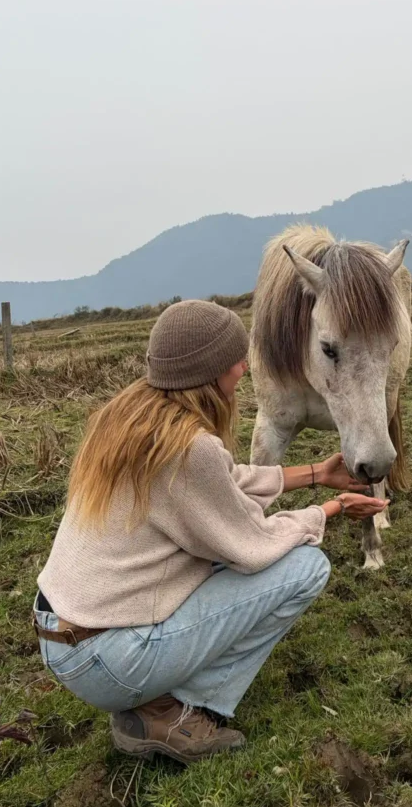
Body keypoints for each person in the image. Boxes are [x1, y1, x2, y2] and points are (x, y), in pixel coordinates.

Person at [33, 299, 387, 764]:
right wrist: (332, 508)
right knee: (305, 566)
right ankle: (178, 713)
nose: (244, 368)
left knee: (232, 560)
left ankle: (155, 699)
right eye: (235, 360)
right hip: (107, 660)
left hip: (61, 634)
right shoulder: (189, 448)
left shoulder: (131, 420)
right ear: (208, 370)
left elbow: (220, 482)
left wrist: (315, 473)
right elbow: (252, 545)